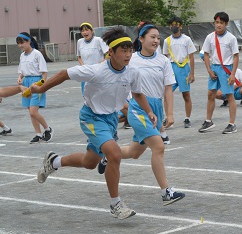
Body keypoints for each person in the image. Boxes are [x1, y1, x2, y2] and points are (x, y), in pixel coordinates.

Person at [32, 27, 155, 219]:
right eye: (123, 50)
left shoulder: (132, 72)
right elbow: (64, 73)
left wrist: (148, 111)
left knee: (89, 162)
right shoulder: (97, 70)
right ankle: (116, 204)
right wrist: (41, 89)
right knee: (114, 154)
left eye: (130, 50)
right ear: (110, 52)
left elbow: (138, 93)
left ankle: (54, 161)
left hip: (110, 119)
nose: (128, 54)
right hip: (91, 117)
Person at [99, 22, 185, 206]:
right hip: (138, 110)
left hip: (156, 110)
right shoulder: (132, 60)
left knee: (133, 152)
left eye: (158, 38)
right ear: (141, 39)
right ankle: (166, 192)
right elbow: (113, 76)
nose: (156, 40)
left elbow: (168, 89)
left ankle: (107, 155)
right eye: (152, 37)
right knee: (158, 146)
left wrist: (169, 114)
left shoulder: (163, 61)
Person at [199, 11, 239, 134]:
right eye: (216, 22)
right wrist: (209, 70)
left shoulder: (231, 38)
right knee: (210, 94)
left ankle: (232, 124)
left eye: (221, 23)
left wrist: (232, 74)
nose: (218, 25)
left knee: (229, 95)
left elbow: (236, 56)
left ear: (226, 24)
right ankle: (208, 121)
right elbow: (205, 54)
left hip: (226, 69)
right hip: (214, 68)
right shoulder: (210, 37)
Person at [16, 32, 53, 144]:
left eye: (22, 42)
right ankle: (38, 133)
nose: (20, 45)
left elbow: (44, 73)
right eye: (18, 43)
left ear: (29, 41)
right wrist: (20, 77)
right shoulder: (22, 55)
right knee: (30, 110)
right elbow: (22, 71)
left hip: (36, 83)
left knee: (33, 112)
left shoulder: (37, 54)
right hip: (26, 82)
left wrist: (40, 84)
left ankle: (47, 129)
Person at [162, 16, 196, 129]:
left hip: (183, 69)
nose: (174, 26)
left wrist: (192, 73)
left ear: (180, 26)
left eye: (176, 24)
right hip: (171, 68)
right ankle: (168, 117)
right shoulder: (167, 41)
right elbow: (165, 58)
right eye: (171, 24)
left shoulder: (186, 39)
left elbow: (191, 57)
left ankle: (187, 118)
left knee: (185, 94)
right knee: (166, 95)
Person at [77, 22, 109, 96]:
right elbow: (79, 56)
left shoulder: (98, 40)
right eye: (82, 31)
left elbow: (109, 53)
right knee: (85, 94)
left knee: (98, 94)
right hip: (85, 71)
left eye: (87, 30)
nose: (85, 32)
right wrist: (83, 65)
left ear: (92, 31)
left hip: (97, 71)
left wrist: (101, 62)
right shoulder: (79, 42)